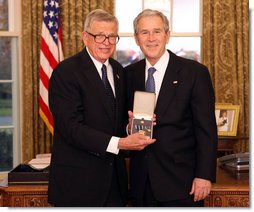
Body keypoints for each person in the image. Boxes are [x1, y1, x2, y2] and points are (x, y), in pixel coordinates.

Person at [48, 9, 155, 207]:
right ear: (85, 37)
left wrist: (130, 128)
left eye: (112, 36)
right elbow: (70, 128)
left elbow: (118, 119)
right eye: (100, 36)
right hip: (78, 185)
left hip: (115, 184)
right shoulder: (66, 72)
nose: (106, 42)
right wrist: (121, 143)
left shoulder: (119, 71)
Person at [125, 9, 218, 207]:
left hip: (182, 183)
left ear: (167, 35)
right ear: (136, 38)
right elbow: (120, 122)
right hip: (141, 183)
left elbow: (206, 130)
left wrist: (204, 175)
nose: (151, 39)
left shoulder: (194, 73)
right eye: (144, 32)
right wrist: (128, 128)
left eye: (157, 31)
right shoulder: (128, 75)